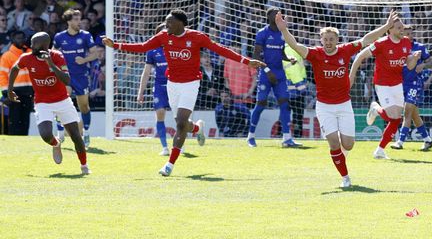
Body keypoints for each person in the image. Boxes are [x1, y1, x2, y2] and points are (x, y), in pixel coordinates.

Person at [103, 9, 265, 176]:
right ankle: (196, 128)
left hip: (190, 84)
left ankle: (169, 165)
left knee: (180, 123)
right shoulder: (164, 36)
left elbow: (220, 49)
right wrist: (116, 45)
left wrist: (246, 61)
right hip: (172, 84)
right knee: (183, 124)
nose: (166, 26)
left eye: (169, 22)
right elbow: (143, 47)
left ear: (180, 23)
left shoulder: (197, 37)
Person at [275, 10, 396, 188]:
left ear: (337, 40)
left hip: (344, 105)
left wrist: (386, 26)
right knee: (333, 142)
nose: (329, 42)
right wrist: (284, 31)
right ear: (321, 40)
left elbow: (367, 39)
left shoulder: (345, 50)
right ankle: (345, 178)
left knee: (348, 144)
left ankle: (341, 158)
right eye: (326, 39)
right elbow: (295, 46)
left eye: (332, 39)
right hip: (324, 107)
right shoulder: (315, 54)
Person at [8, 32, 90, 174]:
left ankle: (84, 166)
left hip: (62, 101)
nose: (31, 47)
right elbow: (15, 69)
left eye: (34, 45)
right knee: (46, 135)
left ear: (44, 47)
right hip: (42, 102)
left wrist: (50, 63)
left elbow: (66, 80)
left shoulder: (57, 56)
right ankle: (56, 143)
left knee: (76, 136)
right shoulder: (26, 57)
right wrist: (10, 90)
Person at [350, 14, 419, 160]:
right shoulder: (381, 43)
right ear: (390, 30)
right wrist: (352, 75)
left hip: (397, 83)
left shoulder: (406, 42)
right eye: (399, 28)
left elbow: (410, 66)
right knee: (393, 115)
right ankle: (375, 109)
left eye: (403, 27)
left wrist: (414, 58)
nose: (403, 30)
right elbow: (359, 56)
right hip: (382, 84)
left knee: (395, 119)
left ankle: (380, 150)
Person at [248, 7, 299, 148]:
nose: (278, 15)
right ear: (268, 16)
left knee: (285, 104)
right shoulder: (262, 33)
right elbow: (256, 56)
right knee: (261, 104)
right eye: (274, 13)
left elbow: (281, 53)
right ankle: (251, 136)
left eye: (279, 13)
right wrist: (266, 69)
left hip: (280, 73)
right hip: (265, 73)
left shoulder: (283, 34)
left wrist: (289, 59)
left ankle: (287, 138)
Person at [53, 9, 98, 147]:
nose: (79, 22)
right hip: (65, 76)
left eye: (80, 19)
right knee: (61, 103)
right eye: (76, 19)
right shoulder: (59, 37)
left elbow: (95, 54)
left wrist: (84, 60)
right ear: (69, 21)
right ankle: (60, 132)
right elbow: (52, 55)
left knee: (84, 106)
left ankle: (86, 133)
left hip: (81, 76)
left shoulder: (86, 36)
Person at [391, 24, 432, 151]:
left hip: (415, 83)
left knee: (407, 112)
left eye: (411, 33)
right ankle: (427, 140)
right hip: (400, 84)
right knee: (414, 115)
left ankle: (400, 141)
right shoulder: (398, 46)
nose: (410, 36)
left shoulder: (420, 47)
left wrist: (424, 66)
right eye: (407, 34)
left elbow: (431, 62)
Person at [137, 24, 171, 155]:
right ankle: (165, 147)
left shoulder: (175, 47)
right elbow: (146, 73)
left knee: (179, 117)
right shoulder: (152, 51)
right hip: (159, 86)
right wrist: (141, 92)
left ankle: (194, 131)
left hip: (175, 84)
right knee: (160, 113)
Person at [0, 30, 33, 135]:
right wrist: (6, 93)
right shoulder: (7, 56)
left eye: (23, 38)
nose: (21, 40)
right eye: (18, 38)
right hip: (14, 93)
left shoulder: (30, 53)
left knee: (25, 119)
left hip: (29, 92)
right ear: (13, 39)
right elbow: (2, 76)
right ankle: (14, 138)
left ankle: (24, 140)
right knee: (15, 119)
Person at [284, 42, 308, 138]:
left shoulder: (288, 48)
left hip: (290, 87)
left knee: (287, 113)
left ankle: (282, 134)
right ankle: (296, 136)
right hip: (295, 88)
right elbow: (293, 70)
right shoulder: (292, 49)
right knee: (297, 114)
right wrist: (301, 87)